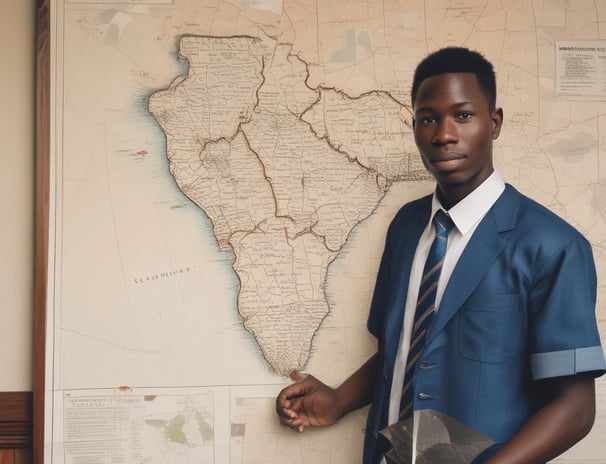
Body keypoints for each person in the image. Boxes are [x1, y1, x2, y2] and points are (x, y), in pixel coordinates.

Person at [276, 47, 606, 464]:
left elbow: (575, 410)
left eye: (463, 116)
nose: (444, 134)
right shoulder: (406, 226)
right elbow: (402, 352)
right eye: (428, 118)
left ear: (495, 122)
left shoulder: (553, 246)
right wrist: (339, 400)